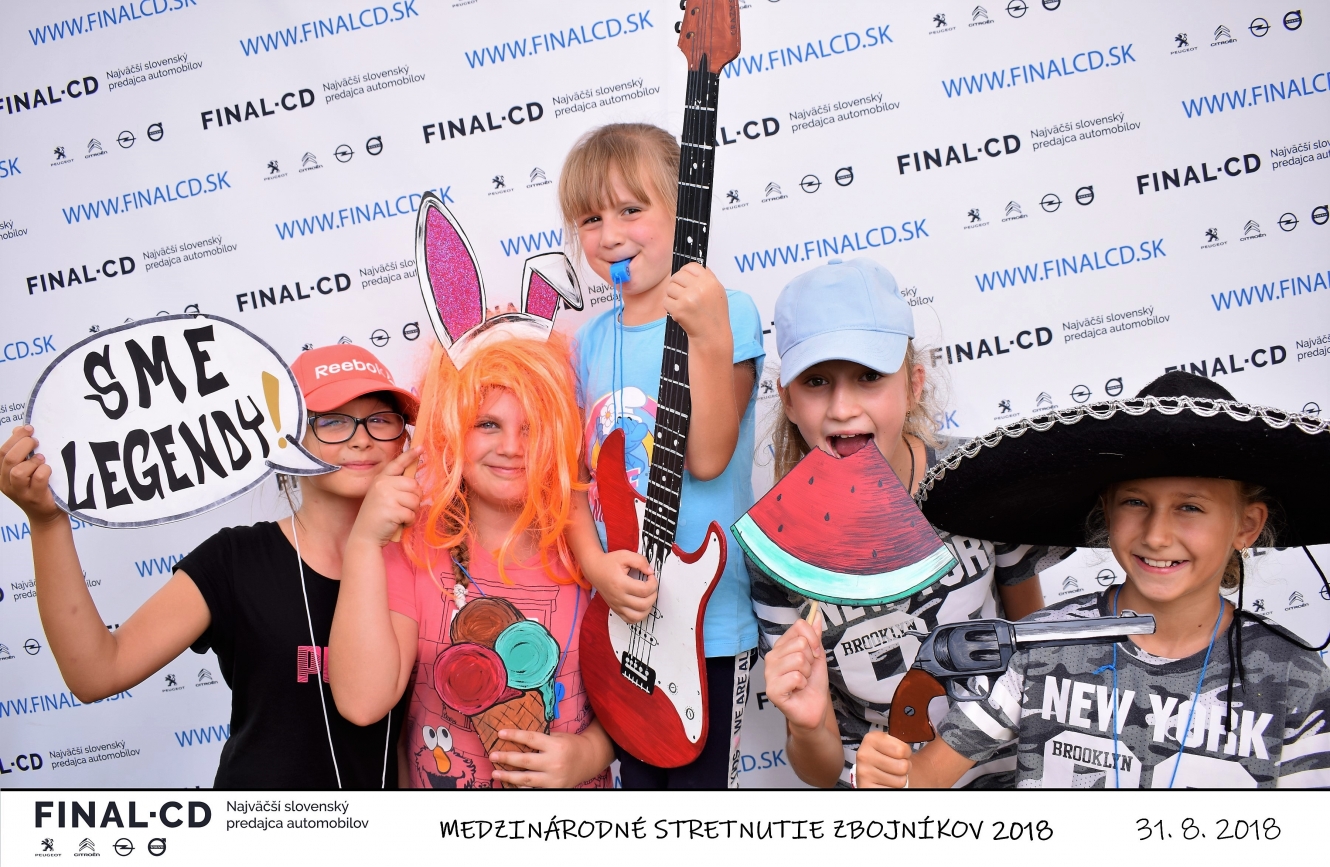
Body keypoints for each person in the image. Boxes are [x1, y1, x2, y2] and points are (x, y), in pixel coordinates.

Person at [0, 344, 418, 788]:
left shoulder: (432, 563)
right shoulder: (234, 560)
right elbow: (96, 673)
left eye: (380, 419)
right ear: (288, 437)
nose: (361, 438)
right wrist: (47, 524)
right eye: (331, 420)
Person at [898, 371, 1330, 788]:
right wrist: (888, 770)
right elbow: (920, 780)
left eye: (1190, 508)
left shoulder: (1297, 682)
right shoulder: (1039, 646)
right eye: (1135, 502)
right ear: (1107, 511)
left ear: (1247, 526)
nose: (1157, 536)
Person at [753, 258, 1068, 788]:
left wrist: (936, 770)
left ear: (914, 384)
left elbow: (1035, 647)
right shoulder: (774, 548)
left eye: (869, 377)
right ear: (787, 399)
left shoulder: (978, 480)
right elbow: (820, 768)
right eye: (817, 381)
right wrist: (806, 728)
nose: (842, 407)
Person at [557, 122, 766, 789]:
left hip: (709, 630)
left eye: (630, 209)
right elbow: (574, 485)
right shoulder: (587, 344)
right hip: (620, 626)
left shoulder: (728, 311)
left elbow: (707, 457)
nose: (609, 234)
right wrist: (596, 567)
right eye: (591, 218)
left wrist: (708, 336)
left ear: (685, 212)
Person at [328, 335, 615, 789]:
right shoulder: (414, 546)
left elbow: (637, 694)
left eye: (531, 427)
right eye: (488, 424)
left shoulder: (589, 548)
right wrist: (364, 542)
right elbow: (362, 703)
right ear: (451, 429)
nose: (512, 447)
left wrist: (590, 753)